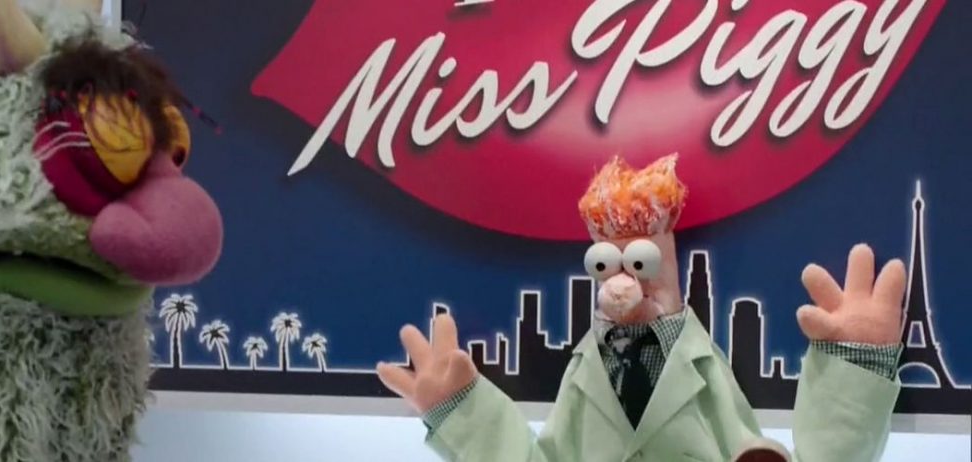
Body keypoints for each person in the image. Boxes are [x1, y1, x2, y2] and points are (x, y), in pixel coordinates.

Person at [377, 155, 904, 461]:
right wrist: (461, 412)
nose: (626, 282)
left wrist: (854, 365)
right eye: (608, 264)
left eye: (641, 262)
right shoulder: (587, 370)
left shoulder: (702, 367)